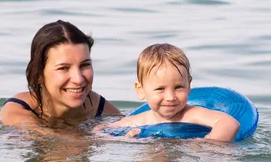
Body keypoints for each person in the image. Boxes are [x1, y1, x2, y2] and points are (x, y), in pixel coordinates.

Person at [101, 43, 239, 142]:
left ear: (189, 85)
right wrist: (128, 139)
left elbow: (229, 123)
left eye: (178, 87)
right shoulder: (138, 121)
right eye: (160, 89)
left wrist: (207, 145)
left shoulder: (192, 114)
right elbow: (102, 130)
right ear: (140, 90)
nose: (170, 97)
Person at [0, 20, 120, 129]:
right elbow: (44, 138)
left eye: (84, 65)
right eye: (63, 68)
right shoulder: (18, 109)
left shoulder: (99, 108)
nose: (78, 79)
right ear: (39, 75)